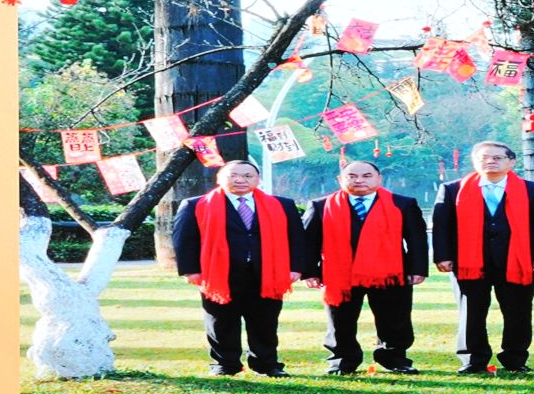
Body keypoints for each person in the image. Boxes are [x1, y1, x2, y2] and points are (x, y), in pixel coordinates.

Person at [171, 158, 307, 377]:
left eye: (247, 176)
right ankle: (225, 364)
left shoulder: (282, 205)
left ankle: (266, 364)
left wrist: (296, 267)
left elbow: (297, 238)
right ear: (219, 179)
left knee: (265, 322)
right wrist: (191, 270)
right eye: (233, 175)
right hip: (219, 273)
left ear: (258, 179)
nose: (240, 180)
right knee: (220, 321)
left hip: (267, 273)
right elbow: (184, 240)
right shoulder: (196, 205)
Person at [431, 140, 534, 374]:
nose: (490, 161)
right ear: (474, 162)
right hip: (468, 261)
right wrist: (443, 256)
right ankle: (473, 359)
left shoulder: (532, 190)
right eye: (484, 158)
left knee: (518, 311)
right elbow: (442, 226)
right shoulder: (453, 189)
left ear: (512, 162)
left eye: (497, 158)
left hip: (517, 260)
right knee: (471, 311)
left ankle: (515, 359)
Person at [299, 159, 428, 375]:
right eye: (352, 176)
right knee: (340, 321)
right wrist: (310, 272)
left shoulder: (402, 204)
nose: (359, 180)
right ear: (340, 179)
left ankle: (395, 359)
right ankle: (342, 360)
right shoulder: (321, 206)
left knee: (395, 319)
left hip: (390, 273)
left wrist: (418, 268)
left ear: (379, 178)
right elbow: (308, 242)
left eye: (367, 176)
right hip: (340, 274)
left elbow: (416, 239)